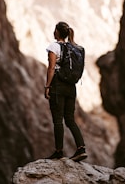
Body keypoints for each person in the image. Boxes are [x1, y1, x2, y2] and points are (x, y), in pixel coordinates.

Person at [44, 21, 87, 162]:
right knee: (70, 119)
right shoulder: (74, 48)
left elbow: (51, 68)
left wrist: (47, 87)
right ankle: (81, 148)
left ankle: (58, 151)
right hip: (71, 87)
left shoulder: (54, 47)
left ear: (57, 32)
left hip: (58, 85)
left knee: (58, 120)